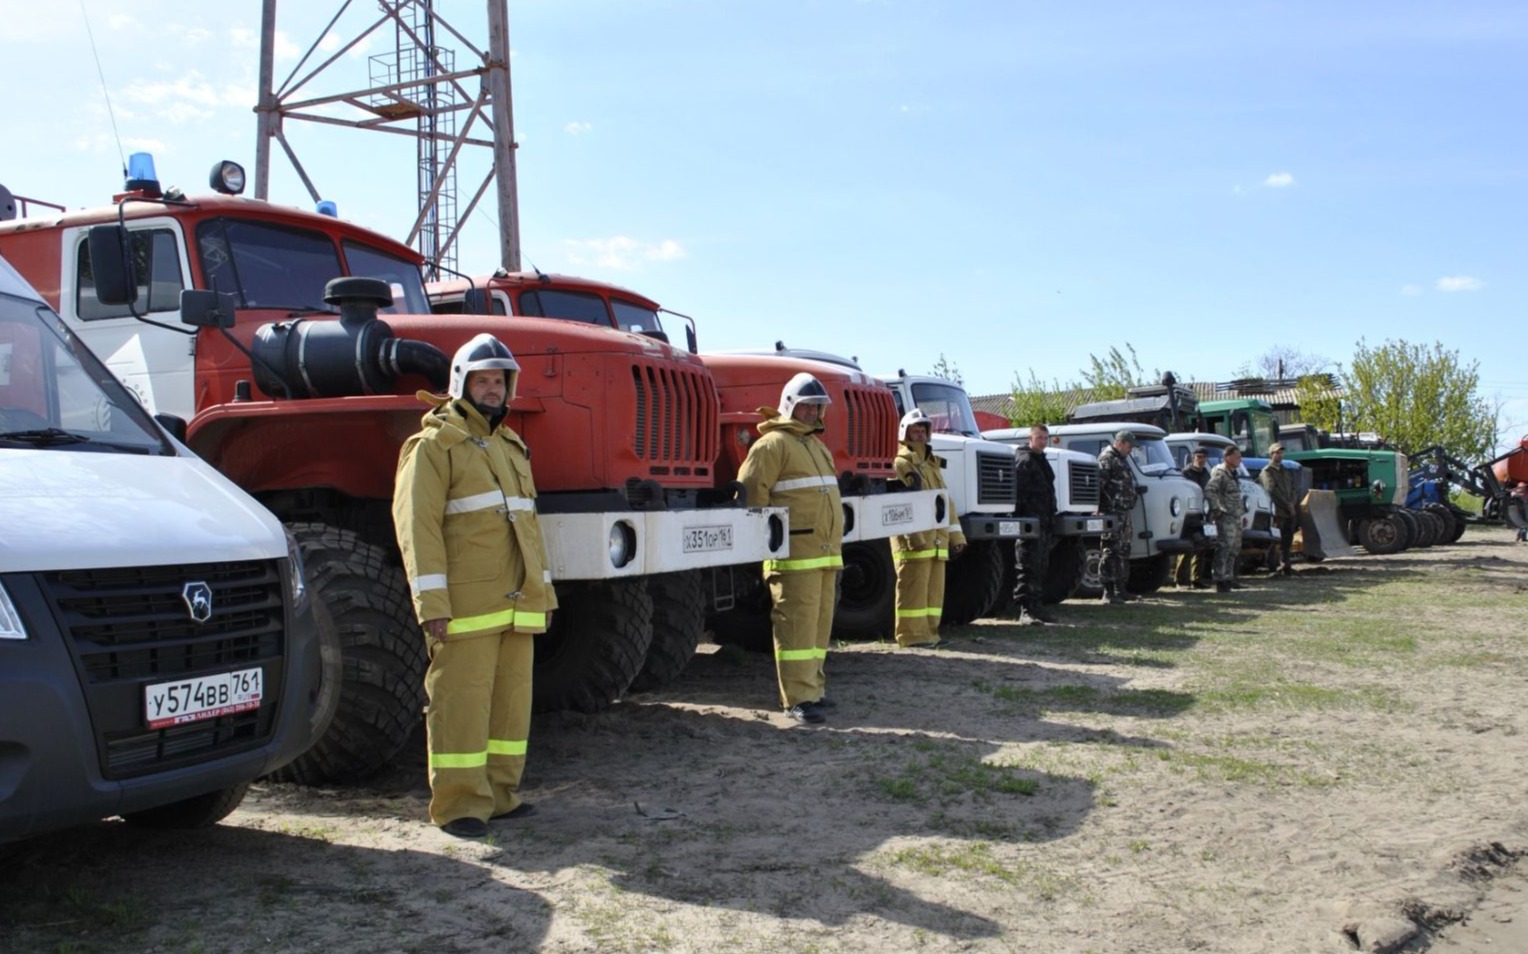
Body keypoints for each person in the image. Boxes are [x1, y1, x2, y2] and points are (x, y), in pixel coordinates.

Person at [392, 333, 557, 839]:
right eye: (482, 380)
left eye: (499, 381)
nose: (492, 389)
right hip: (464, 605)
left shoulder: (511, 445)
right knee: (460, 703)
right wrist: (432, 604)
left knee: (510, 705)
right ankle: (460, 805)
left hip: (518, 604)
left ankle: (500, 795)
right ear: (461, 383)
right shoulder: (432, 446)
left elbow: (529, 527)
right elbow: (416, 529)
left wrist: (544, 594)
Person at [738, 372, 845, 725]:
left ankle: (813, 689)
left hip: (825, 554)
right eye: (807, 406)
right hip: (794, 557)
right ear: (790, 406)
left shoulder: (816, 446)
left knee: (817, 629)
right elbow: (753, 497)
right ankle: (796, 699)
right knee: (796, 628)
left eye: (817, 407)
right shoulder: (771, 445)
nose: (813, 412)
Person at [890, 408, 966, 646]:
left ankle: (931, 634)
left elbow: (946, 503)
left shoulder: (931, 464)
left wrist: (957, 537)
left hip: (936, 540)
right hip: (915, 541)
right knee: (913, 590)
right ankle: (912, 637)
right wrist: (913, 536)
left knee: (933, 593)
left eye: (923, 430)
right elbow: (899, 505)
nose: (920, 435)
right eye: (915, 430)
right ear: (905, 433)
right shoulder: (900, 464)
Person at [1012, 423, 1057, 625]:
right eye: (1039, 438)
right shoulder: (1025, 460)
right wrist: (1024, 520)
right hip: (1030, 522)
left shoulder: (1040, 460)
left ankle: (1036, 607)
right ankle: (1025, 610)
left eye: (1046, 438)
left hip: (1044, 522)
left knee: (1041, 567)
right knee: (1027, 566)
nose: (1043, 442)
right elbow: (1019, 494)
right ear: (1030, 438)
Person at [1097, 430, 1141, 604]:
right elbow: (1099, 485)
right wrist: (1099, 509)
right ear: (1120, 443)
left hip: (1123, 512)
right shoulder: (1107, 458)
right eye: (1129, 446)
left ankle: (1120, 588)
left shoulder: (1121, 459)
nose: (1131, 450)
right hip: (1111, 512)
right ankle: (1108, 591)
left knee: (1123, 550)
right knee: (1110, 550)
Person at [1204, 444, 1248, 592]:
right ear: (1227, 457)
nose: (1239, 460)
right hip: (1225, 516)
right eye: (1237, 457)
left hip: (1235, 516)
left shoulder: (1233, 473)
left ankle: (1229, 577)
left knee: (1233, 549)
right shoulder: (1220, 473)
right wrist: (1216, 509)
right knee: (1223, 548)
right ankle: (1219, 579)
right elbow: (1210, 490)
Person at [1173, 447, 1212, 589]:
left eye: (1203, 457)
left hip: (1202, 512)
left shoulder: (1206, 473)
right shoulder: (1186, 473)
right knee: (1186, 547)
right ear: (1193, 457)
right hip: (1188, 514)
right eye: (1198, 457)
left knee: (1201, 546)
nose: (1201, 460)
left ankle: (1196, 578)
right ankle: (1181, 580)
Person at [1259, 442, 1299, 575]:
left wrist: (1292, 503)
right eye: (1277, 453)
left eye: (1281, 452)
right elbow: (1272, 490)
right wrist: (1287, 504)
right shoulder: (1267, 471)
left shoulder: (1285, 471)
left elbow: (1293, 488)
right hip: (1276, 511)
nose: (1279, 455)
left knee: (1287, 540)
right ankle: (1272, 566)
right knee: (1275, 540)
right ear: (1272, 454)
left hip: (1289, 511)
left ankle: (1285, 565)